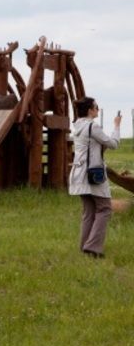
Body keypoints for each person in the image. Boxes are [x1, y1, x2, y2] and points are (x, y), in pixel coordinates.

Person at [68, 97, 121, 258]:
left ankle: (85, 247)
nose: (97, 109)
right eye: (96, 107)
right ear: (90, 110)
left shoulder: (78, 126)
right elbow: (113, 144)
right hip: (93, 175)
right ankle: (93, 247)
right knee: (105, 208)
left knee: (89, 212)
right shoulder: (93, 126)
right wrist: (117, 125)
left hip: (78, 175)